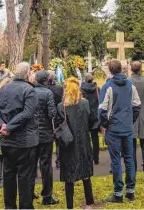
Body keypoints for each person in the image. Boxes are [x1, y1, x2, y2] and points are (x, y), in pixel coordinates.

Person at [0, 62, 39, 210]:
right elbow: (28, 113)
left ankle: (10, 207)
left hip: (7, 139)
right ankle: (24, 206)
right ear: (27, 74)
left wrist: (3, 126)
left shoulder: (3, 88)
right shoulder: (29, 90)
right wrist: (6, 127)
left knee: (9, 175)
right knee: (24, 177)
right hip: (24, 140)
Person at [99, 59, 141, 203]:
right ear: (122, 69)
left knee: (116, 160)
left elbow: (102, 109)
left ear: (110, 70)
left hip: (114, 128)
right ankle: (130, 191)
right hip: (127, 127)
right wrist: (130, 120)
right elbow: (137, 105)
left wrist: (106, 124)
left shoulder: (108, 86)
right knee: (129, 159)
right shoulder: (130, 85)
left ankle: (118, 193)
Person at [55, 77, 94, 210]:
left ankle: (69, 205)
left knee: (68, 177)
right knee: (86, 174)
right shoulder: (85, 103)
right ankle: (89, 203)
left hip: (68, 143)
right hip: (83, 141)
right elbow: (91, 120)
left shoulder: (61, 107)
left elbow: (58, 123)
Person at [34, 70, 58, 205]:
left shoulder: (30, 91)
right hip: (45, 133)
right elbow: (52, 113)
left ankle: (29, 191)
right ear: (46, 80)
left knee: (31, 164)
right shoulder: (48, 93)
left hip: (32, 133)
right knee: (46, 165)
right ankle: (47, 196)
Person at [81, 73, 100, 165]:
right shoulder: (97, 89)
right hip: (95, 115)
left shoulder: (81, 89)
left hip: (85, 115)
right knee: (95, 138)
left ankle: (87, 158)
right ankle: (96, 158)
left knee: (85, 138)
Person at [48, 71, 64, 169]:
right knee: (59, 141)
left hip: (47, 119)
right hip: (58, 118)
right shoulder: (59, 88)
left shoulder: (44, 89)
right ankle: (59, 161)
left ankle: (47, 163)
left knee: (47, 142)